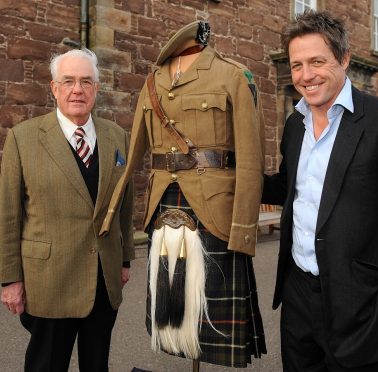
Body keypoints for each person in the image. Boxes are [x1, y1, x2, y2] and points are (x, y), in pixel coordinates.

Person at [262, 10, 378, 372]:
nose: (305, 75)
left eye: (317, 61)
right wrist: (233, 169)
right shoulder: (294, 125)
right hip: (297, 297)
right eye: (297, 65)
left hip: (361, 304)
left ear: (343, 59)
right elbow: (291, 188)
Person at [101, 21, 266, 368]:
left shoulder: (234, 76)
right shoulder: (154, 81)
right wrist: (112, 210)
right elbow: (134, 153)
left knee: (214, 309)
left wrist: (244, 229)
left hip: (216, 211)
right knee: (172, 310)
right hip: (165, 207)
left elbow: (251, 159)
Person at [0, 48, 135, 372]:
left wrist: (124, 259)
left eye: (86, 82)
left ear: (96, 89)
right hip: (48, 281)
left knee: (96, 365)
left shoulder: (118, 137)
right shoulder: (24, 138)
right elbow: (10, 215)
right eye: (68, 81)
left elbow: (123, 205)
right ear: (55, 88)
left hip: (102, 278)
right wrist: (10, 279)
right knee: (46, 364)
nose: (77, 90)